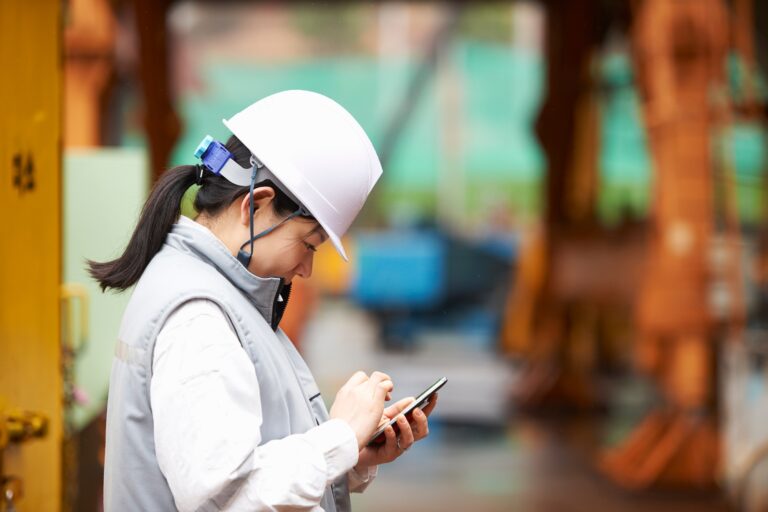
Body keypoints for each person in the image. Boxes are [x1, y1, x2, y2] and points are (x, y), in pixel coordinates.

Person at [89, 90, 437, 511]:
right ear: (257, 205)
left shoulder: (214, 292)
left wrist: (352, 455)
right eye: (310, 244)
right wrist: (340, 434)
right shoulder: (199, 317)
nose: (307, 269)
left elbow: (242, 463)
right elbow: (227, 499)